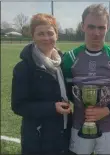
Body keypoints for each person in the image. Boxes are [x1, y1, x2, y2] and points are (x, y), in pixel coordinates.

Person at [62, 4, 110, 155]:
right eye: (91, 27)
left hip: (108, 128)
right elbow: (68, 92)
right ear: (82, 26)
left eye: (101, 27)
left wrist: (106, 110)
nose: (96, 33)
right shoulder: (69, 59)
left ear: (108, 27)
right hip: (79, 126)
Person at [11, 13, 72, 155]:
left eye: (50, 33)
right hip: (38, 140)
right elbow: (18, 106)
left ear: (57, 35)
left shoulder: (63, 64)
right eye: (40, 34)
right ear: (33, 36)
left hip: (63, 135)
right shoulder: (24, 67)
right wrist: (52, 108)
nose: (46, 38)